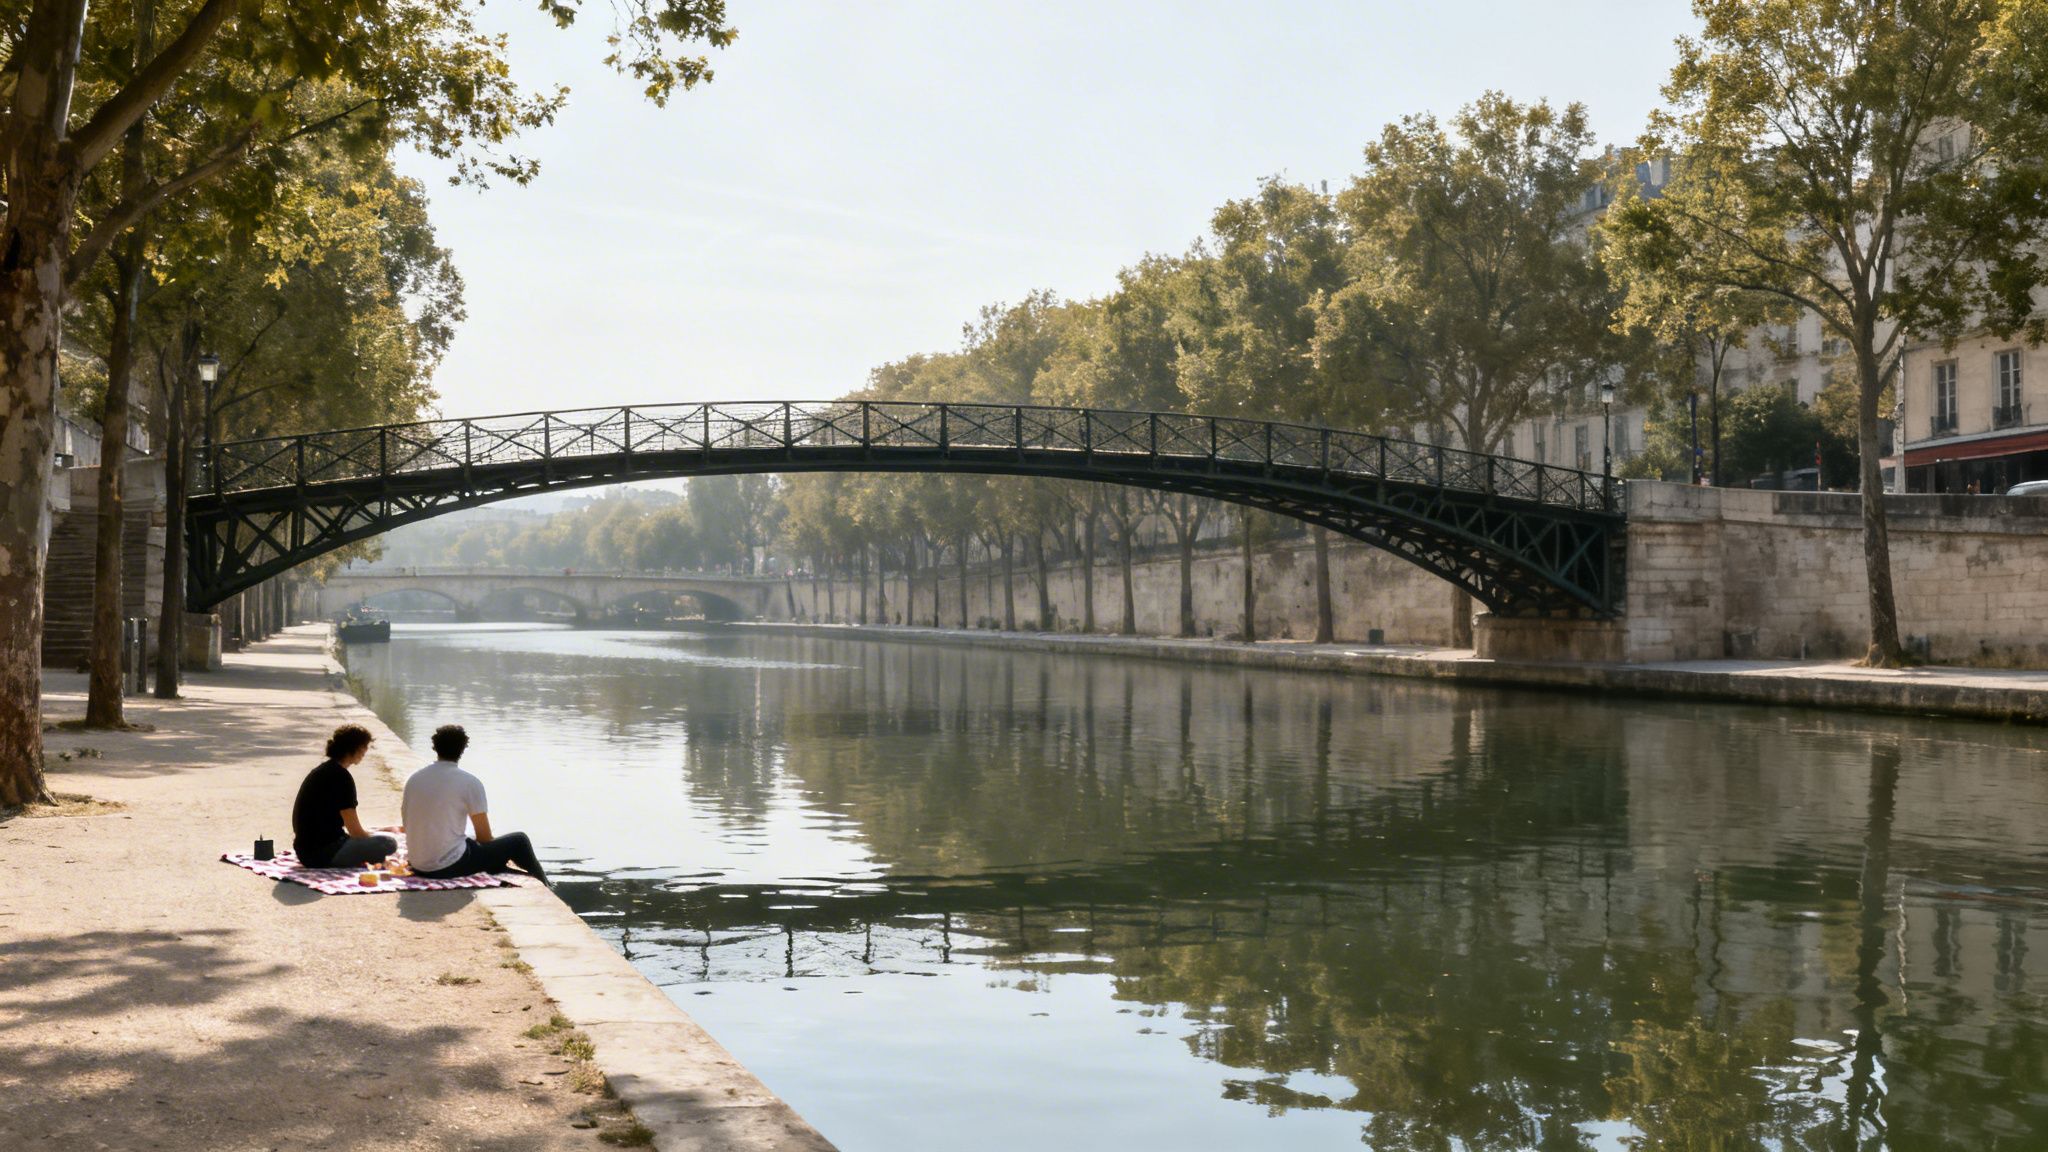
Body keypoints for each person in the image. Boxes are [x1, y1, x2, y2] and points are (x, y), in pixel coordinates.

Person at [401, 724, 551, 886]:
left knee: (474, 844)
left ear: (435, 747)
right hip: (445, 867)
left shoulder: (414, 779)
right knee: (519, 841)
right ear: (463, 749)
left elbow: (406, 824)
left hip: (417, 864)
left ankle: (500, 868)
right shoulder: (469, 782)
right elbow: (484, 837)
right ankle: (546, 884)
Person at [292, 725, 398, 869]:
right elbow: (355, 831)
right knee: (388, 843)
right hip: (325, 854)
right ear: (357, 748)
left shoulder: (321, 770)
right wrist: (369, 841)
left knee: (373, 839)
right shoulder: (342, 778)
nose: (366, 751)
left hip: (304, 851)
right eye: (365, 747)